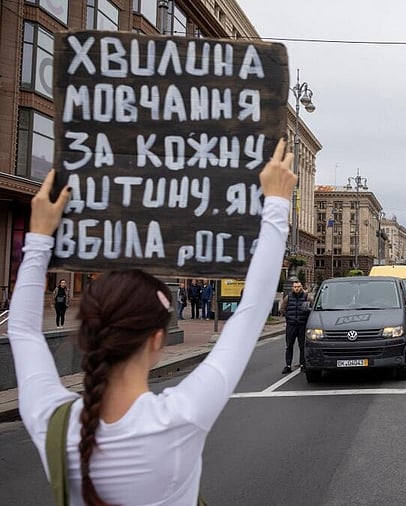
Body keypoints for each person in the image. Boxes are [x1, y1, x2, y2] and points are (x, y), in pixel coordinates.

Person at [8, 140, 296, 505]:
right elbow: (253, 311)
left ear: (88, 333)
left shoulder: (53, 422)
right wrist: (276, 201)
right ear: (157, 340)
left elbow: (20, 330)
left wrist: (37, 237)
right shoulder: (177, 418)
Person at [279, 280, 309, 374]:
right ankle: (288, 365)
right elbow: (282, 309)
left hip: (302, 325)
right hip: (291, 325)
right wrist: (288, 317)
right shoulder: (288, 297)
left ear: (302, 287)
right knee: (289, 346)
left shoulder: (307, 297)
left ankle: (303, 365)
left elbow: (312, 308)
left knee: (302, 346)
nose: (297, 288)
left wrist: (306, 315)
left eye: (298, 287)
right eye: (295, 287)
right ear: (293, 288)